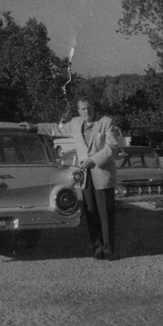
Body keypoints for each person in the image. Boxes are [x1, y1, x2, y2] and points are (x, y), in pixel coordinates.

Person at [20, 97, 121, 261]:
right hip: (86, 178)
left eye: (88, 108)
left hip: (102, 176)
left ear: (93, 107)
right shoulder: (75, 123)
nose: (86, 112)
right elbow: (56, 129)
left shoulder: (106, 122)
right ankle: (98, 250)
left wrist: (93, 160)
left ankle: (110, 251)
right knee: (91, 214)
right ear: (78, 110)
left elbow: (111, 147)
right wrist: (35, 127)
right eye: (82, 109)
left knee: (106, 216)